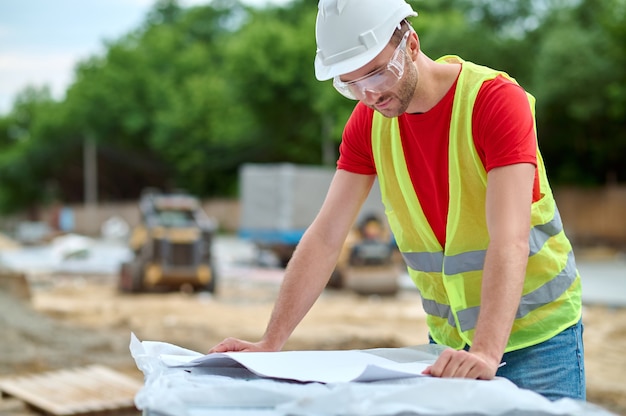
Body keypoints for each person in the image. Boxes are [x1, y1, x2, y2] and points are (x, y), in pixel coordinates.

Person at [211, 0, 585, 401]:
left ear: (410, 44)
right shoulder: (368, 124)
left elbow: (508, 237)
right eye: (349, 83)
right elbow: (325, 237)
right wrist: (271, 344)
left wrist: (486, 351)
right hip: (450, 345)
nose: (368, 93)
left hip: (539, 340)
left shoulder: (495, 102)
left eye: (376, 72)